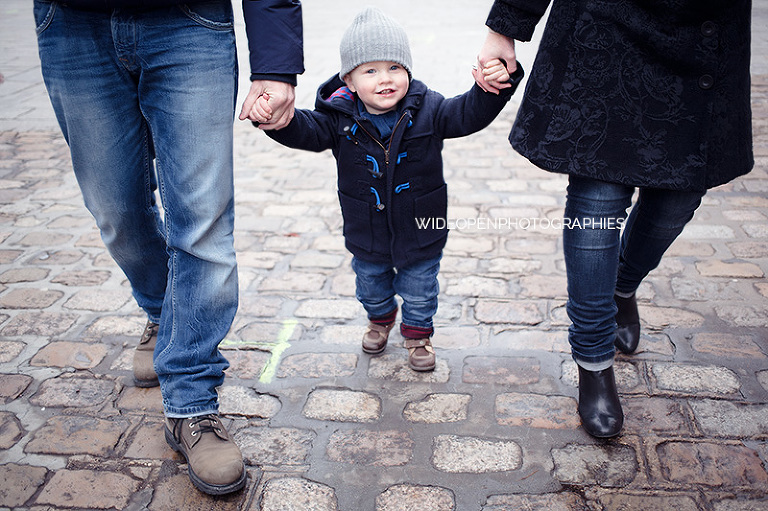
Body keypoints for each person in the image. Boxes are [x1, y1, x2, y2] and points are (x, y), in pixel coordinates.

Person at [33, 0, 303, 495]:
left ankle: (191, 402)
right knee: (117, 214)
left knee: (202, 224)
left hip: (189, 22)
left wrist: (276, 63)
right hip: (72, 24)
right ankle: (163, 312)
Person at [474, 0, 753, 437]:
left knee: (677, 201)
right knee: (598, 204)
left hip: (703, 33)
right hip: (605, 29)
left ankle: (622, 285)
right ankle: (594, 363)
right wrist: (504, 27)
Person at [255, 7, 523, 371]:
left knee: (420, 289)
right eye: (370, 71)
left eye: (395, 67)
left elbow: (468, 113)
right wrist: (275, 119)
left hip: (421, 227)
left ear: (408, 72)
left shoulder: (430, 109)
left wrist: (491, 89)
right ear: (349, 81)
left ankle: (418, 335)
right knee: (371, 284)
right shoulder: (338, 119)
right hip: (365, 227)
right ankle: (380, 319)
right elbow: (303, 129)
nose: (385, 79)